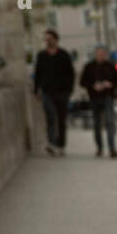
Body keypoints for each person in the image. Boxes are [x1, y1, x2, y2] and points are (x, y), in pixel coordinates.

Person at [33, 28, 74, 156]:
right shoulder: (41, 55)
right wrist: (36, 90)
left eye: (49, 39)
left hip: (62, 92)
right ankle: (51, 143)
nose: (47, 41)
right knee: (50, 117)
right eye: (46, 39)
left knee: (61, 119)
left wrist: (69, 90)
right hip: (47, 92)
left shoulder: (63, 55)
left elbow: (71, 74)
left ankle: (61, 144)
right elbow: (37, 73)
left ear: (55, 40)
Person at [79, 45, 117, 158]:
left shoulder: (111, 66)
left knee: (110, 122)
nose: (100, 55)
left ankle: (112, 148)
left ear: (105, 54)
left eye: (102, 53)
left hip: (108, 97)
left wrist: (109, 84)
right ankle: (99, 148)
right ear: (95, 53)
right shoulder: (89, 66)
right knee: (97, 124)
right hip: (94, 98)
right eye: (98, 52)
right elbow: (82, 82)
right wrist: (93, 86)